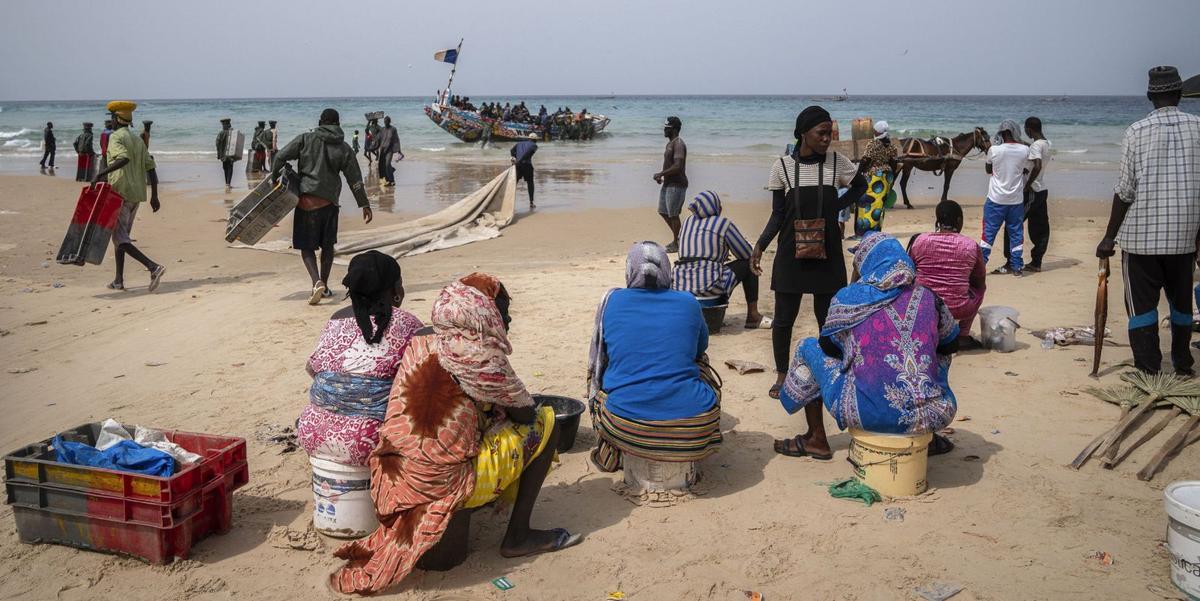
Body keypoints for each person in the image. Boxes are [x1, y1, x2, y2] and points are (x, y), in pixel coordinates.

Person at [330, 273, 579, 595]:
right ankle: (518, 536)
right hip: (442, 481)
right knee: (546, 423)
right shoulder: (481, 355)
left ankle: (482, 503)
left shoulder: (420, 338)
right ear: (482, 314)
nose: (508, 318)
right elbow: (525, 414)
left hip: (393, 477)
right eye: (501, 311)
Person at [775, 232, 959, 459]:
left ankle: (816, 438)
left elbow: (829, 348)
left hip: (868, 414)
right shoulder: (928, 297)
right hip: (936, 413)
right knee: (939, 348)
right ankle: (925, 432)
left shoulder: (848, 298)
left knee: (808, 347)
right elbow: (952, 343)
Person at [754, 105, 867, 405]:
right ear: (803, 133)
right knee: (783, 319)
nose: (827, 139)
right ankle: (781, 374)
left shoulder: (836, 163)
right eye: (821, 133)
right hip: (791, 253)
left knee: (827, 320)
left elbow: (861, 185)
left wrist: (837, 205)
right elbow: (778, 215)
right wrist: (760, 245)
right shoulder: (782, 167)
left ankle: (827, 370)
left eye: (829, 133)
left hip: (827, 253)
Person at [1096, 65, 1200, 376]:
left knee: (1141, 306)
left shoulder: (1136, 132)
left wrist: (1109, 237)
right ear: (1180, 94)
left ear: (1149, 96)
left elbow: (1125, 191)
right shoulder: (1199, 128)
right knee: (1181, 303)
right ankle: (1183, 362)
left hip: (1141, 239)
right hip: (1184, 237)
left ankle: (1148, 366)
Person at [587, 242, 722, 471]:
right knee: (702, 365)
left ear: (630, 271)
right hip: (697, 427)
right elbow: (700, 349)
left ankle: (613, 451)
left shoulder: (612, 302)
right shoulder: (688, 301)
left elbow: (605, 358)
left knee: (607, 376)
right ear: (667, 271)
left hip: (626, 425)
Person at [297, 251, 424, 466]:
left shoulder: (336, 319)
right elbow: (422, 381)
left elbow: (312, 369)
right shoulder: (408, 324)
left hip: (312, 434)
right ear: (395, 290)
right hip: (373, 443)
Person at [271, 108, 372, 305]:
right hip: (329, 204)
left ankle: (316, 281)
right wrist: (364, 204)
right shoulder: (344, 148)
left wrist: (275, 179)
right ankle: (324, 285)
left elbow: (280, 156)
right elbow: (355, 180)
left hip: (306, 203)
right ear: (338, 124)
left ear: (320, 121)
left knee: (306, 247)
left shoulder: (305, 139)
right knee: (328, 247)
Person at [89, 101, 166, 292]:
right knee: (121, 237)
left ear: (116, 119)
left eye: (112, 119)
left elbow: (124, 158)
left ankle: (153, 267)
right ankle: (118, 280)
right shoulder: (138, 141)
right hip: (136, 195)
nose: (111, 123)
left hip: (119, 193)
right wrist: (154, 195)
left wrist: (100, 174)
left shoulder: (116, 137)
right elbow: (151, 168)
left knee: (120, 238)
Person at [672, 191, 765, 328]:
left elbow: (687, 252)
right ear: (715, 208)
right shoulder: (723, 223)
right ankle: (753, 315)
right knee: (748, 263)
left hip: (681, 289)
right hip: (709, 288)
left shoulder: (686, 223)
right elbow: (746, 253)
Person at [908, 200, 987, 348]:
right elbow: (979, 281)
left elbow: (910, 272)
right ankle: (963, 335)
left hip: (924, 307)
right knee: (979, 289)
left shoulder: (920, 241)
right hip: (959, 308)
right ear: (959, 220)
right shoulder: (971, 245)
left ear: (937, 221)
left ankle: (921, 330)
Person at [979, 119, 1030, 276]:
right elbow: (1025, 169)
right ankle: (1016, 267)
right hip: (1016, 200)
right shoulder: (1025, 150)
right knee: (1016, 234)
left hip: (996, 199)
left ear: (1001, 133)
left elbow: (988, 170)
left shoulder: (994, 150)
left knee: (988, 234)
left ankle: (980, 267)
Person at [1003, 117, 1052, 272]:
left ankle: (1010, 262)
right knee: (1040, 227)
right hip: (1042, 190)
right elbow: (1035, 151)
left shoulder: (1036, 146)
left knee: (1013, 224)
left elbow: (1036, 165)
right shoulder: (1046, 143)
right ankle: (1036, 262)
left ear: (1029, 129)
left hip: (1032, 191)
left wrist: (1027, 185)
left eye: (1025, 129)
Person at [854, 120, 899, 237]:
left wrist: (858, 175)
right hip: (887, 177)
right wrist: (892, 178)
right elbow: (894, 163)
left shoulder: (873, 144)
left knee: (865, 203)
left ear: (877, 132)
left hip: (874, 177)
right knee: (879, 205)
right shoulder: (892, 146)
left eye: (875, 130)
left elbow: (865, 161)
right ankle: (875, 231)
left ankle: (863, 233)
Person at [654, 116, 688, 253]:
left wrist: (661, 173)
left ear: (673, 129)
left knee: (673, 214)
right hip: (668, 184)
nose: (664, 129)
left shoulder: (678, 144)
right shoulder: (670, 144)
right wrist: (663, 175)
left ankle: (678, 242)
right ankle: (680, 238)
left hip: (677, 184)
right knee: (663, 211)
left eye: (667, 128)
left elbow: (678, 166)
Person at [510, 132, 538, 208]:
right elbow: (527, 154)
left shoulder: (519, 143)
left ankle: (509, 200)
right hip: (526, 165)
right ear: (535, 140)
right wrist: (521, 160)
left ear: (528, 138)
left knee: (514, 183)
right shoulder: (534, 146)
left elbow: (512, 151)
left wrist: (515, 159)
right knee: (530, 183)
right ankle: (531, 202)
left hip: (518, 166)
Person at [375, 116, 402, 187]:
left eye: (387, 121)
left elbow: (396, 139)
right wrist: (374, 146)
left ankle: (392, 180)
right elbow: (378, 138)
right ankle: (388, 179)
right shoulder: (382, 129)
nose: (385, 122)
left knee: (387, 164)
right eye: (385, 121)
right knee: (383, 165)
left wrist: (399, 150)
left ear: (389, 121)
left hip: (389, 150)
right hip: (383, 149)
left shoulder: (393, 129)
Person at [215, 118, 235, 191]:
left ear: (223, 125)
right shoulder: (232, 132)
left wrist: (219, 153)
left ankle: (227, 184)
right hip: (231, 154)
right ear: (229, 124)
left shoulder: (221, 133)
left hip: (223, 154)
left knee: (225, 168)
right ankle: (228, 184)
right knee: (230, 168)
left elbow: (217, 143)